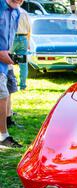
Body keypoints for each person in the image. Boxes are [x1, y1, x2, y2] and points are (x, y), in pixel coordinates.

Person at [0, 0, 23, 149]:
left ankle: (7, 121)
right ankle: (3, 137)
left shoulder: (17, 12)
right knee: (2, 96)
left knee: (9, 93)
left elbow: (11, 37)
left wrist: (11, 54)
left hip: (6, 61)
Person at [12, 6, 30, 90]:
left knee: (6, 61)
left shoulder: (8, 11)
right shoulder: (24, 12)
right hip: (23, 38)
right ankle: (23, 85)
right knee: (23, 64)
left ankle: (9, 83)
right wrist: (28, 42)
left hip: (11, 38)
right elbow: (29, 29)